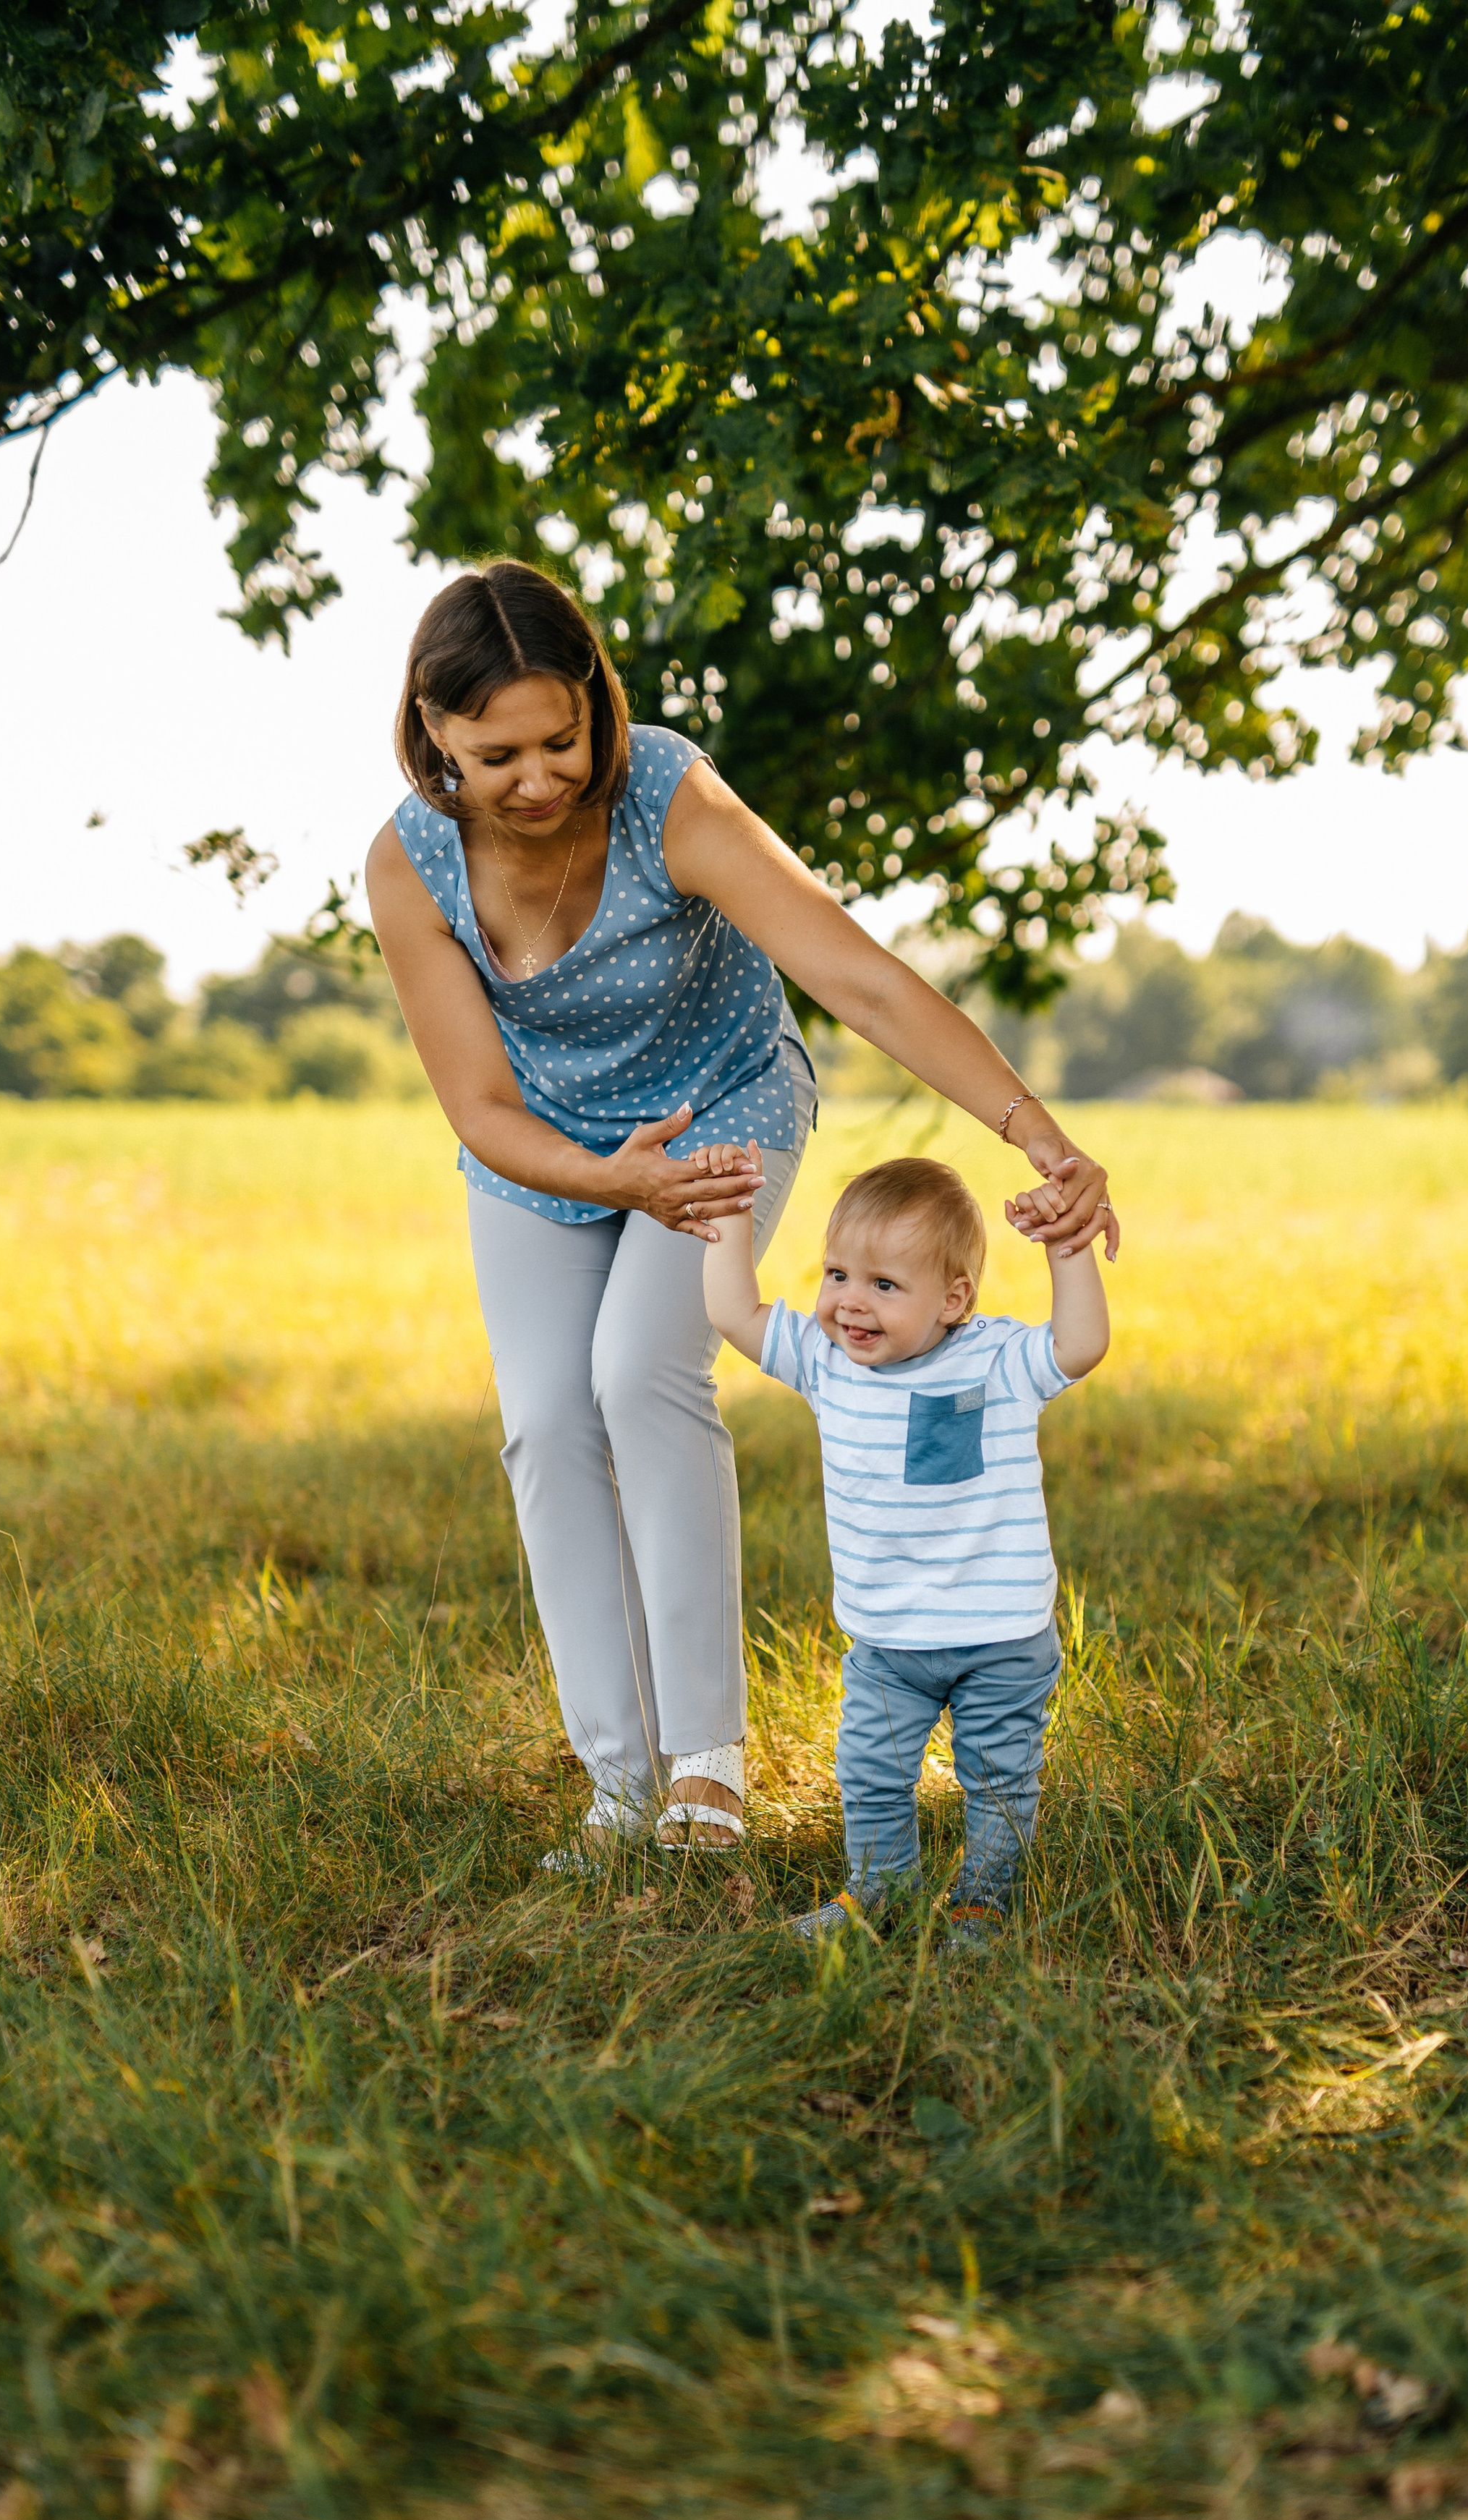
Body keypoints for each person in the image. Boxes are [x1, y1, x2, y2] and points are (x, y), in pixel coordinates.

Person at [365, 558, 1117, 1857]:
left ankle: (705, 1769)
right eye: (498, 754)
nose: (539, 778)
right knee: (547, 1423)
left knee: (640, 1371)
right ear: (436, 730)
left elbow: (859, 976)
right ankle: (617, 1781)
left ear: (598, 708)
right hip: (540, 1149)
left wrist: (1033, 1128)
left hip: (720, 1108)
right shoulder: (408, 861)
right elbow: (479, 1106)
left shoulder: (668, 793)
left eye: (563, 738)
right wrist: (609, 1175)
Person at [701, 1151, 1111, 1942]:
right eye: (837, 1274)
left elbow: (1081, 1343)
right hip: (887, 1640)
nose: (851, 1303)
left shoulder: (995, 1359)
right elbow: (734, 1311)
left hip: (1000, 1635)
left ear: (954, 1298)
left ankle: (982, 1902)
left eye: (884, 1285)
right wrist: (726, 1215)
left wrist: (1068, 1247)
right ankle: (878, 1894)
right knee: (870, 1774)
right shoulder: (827, 1364)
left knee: (997, 1780)